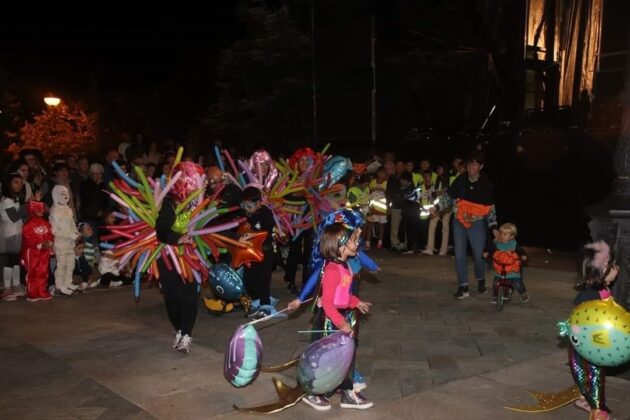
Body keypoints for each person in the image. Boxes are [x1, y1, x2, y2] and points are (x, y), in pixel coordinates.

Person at [300, 222, 373, 411]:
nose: (356, 242)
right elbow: (329, 303)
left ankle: (346, 391)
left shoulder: (346, 267)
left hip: (342, 316)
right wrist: (340, 323)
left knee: (346, 356)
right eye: (351, 240)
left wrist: (357, 303)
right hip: (329, 321)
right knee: (326, 358)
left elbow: (344, 296)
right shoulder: (332, 270)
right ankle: (314, 392)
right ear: (340, 245)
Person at [155, 161, 205, 354]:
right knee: (172, 297)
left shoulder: (202, 202)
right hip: (168, 254)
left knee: (190, 296)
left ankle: (186, 334)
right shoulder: (169, 202)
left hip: (192, 254)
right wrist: (177, 238)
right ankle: (179, 329)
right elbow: (161, 229)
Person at [432, 151, 498, 299]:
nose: (471, 167)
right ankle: (463, 286)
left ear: (481, 166)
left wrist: (494, 227)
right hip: (459, 222)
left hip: (477, 223)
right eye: (469, 164)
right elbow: (448, 197)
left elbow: (491, 208)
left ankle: (480, 280)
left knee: (478, 255)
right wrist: (436, 208)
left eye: (475, 164)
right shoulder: (460, 180)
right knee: (460, 254)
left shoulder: (485, 184)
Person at [570, 241, 617, 420]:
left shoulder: (602, 288)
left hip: (598, 342)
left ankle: (584, 399)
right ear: (602, 270)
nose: (616, 269)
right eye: (611, 265)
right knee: (594, 377)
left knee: (594, 376)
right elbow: (581, 317)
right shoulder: (589, 294)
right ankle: (597, 411)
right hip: (587, 345)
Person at [240, 186, 277, 318]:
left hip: (264, 253)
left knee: (263, 281)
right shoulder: (245, 214)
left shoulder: (266, 213)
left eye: (250, 206)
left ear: (259, 203)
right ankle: (255, 303)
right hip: (250, 253)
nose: (247, 209)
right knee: (249, 280)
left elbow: (266, 233)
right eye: (244, 205)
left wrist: (251, 235)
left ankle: (265, 306)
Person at [484, 223, 528, 303]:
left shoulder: (514, 245)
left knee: (518, 283)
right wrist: (486, 252)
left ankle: (523, 293)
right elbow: (490, 248)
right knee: (495, 283)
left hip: (512, 270)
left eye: (505, 234)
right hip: (500, 269)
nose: (502, 236)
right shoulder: (497, 243)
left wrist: (523, 256)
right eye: (501, 233)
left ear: (511, 237)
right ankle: (496, 296)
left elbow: (521, 251)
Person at [1, 173, 27, 301]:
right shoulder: (7, 199)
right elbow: (14, 217)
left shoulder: (15, 198)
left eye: (21, 182)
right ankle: (7, 287)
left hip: (17, 231)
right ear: (9, 184)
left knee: (16, 260)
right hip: (11, 232)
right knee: (11, 261)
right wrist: (26, 206)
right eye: (16, 182)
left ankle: (16, 284)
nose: (19, 185)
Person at [50, 185, 80, 296]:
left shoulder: (69, 210)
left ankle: (68, 283)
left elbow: (72, 225)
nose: (65, 196)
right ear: (56, 195)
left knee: (70, 263)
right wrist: (70, 235)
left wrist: (76, 233)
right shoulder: (54, 211)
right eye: (62, 194)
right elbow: (54, 230)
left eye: (66, 194)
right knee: (61, 264)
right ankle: (59, 286)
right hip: (60, 243)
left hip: (70, 243)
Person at [21, 200, 54, 301]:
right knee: (32, 272)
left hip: (44, 252)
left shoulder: (46, 223)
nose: (42, 211)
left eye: (42, 209)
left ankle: (41, 291)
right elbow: (27, 239)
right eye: (38, 209)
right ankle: (32, 293)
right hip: (32, 252)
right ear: (32, 210)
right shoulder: (27, 225)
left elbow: (49, 235)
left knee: (43, 272)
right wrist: (39, 244)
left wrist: (49, 242)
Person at [366, 167, 387, 250]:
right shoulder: (373, 182)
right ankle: (367, 243)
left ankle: (380, 243)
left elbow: (387, 193)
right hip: (373, 209)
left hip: (383, 209)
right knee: (370, 226)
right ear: (377, 173)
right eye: (381, 173)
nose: (382, 175)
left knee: (381, 227)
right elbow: (368, 192)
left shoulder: (386, 182)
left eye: (383, 173)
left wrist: (381, 189)